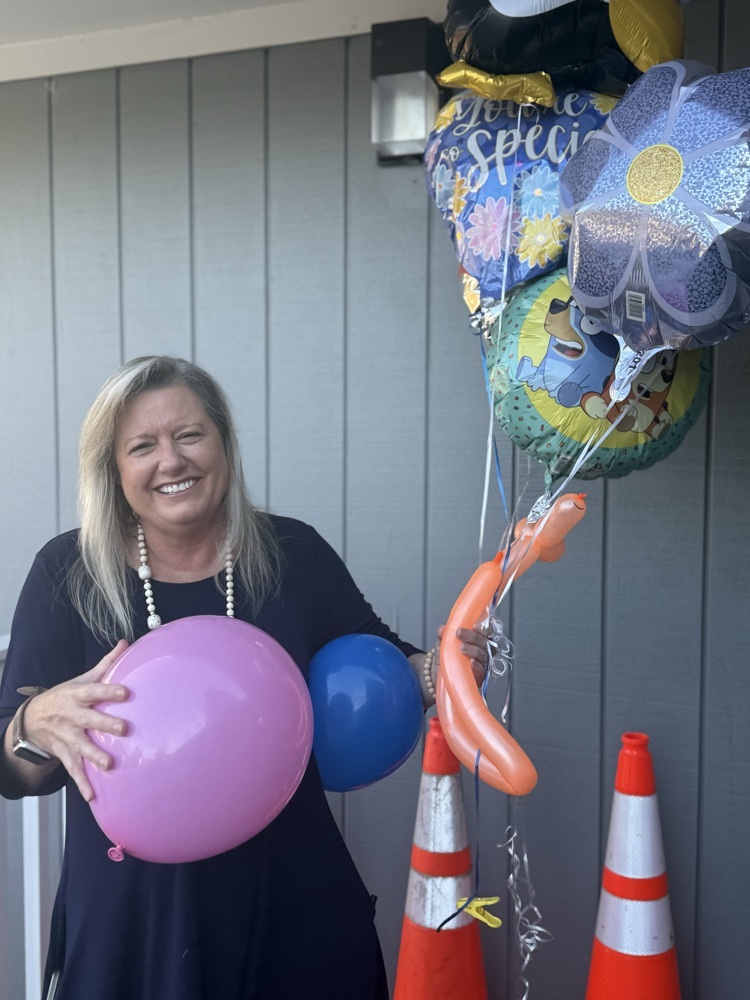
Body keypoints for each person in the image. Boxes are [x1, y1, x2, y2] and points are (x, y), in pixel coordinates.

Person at [0, 356, 489, 1000]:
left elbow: (384, 667)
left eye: (190, 435)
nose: (171, 461)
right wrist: (33, 723)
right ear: (113, 470)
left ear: (224, 444)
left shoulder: (295, 553)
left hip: (292, 901)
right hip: (137, 921)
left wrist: (442, 669)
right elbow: (13, 770)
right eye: (142, 446)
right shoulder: (68, 571)